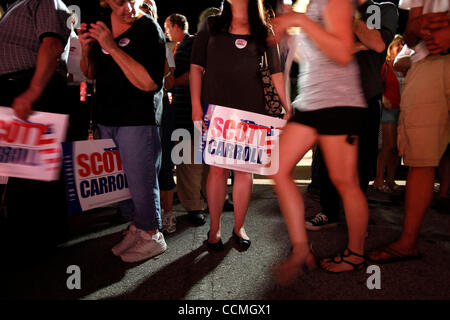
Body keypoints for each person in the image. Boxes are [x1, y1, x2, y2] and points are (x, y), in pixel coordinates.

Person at [270, 0, 368, 281]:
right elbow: (313, 55)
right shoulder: (310, 3)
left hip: (338, 101)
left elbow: (342, 52)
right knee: (277, 168)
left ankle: (356, 255)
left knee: (345, 183)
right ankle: (301, 248)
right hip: (311, 102)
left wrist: (299, 21)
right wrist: (289, 33)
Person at [190, 0, 290, 251]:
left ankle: (239, 226)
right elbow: (195, 67)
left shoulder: (263, 30)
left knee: (244, 171)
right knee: (217, 171)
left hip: (252, 111)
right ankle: (214, 229)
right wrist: (195, 106)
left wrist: (288, 106)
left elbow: (276, 73)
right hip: (216, 109)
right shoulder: (211, 24)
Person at [79, 0, 167, 263]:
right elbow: (91, 72)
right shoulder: (101, 24)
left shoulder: (148, 28)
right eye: (120, 1)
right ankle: (137, 228)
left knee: (141, 182)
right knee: (122, 184)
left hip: (136, 119)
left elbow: (150, 82)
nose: (129, 6)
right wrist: (86, 50)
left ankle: (152, 235)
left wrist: (111, 47)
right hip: (107, 117)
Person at [305, 0, 398, 230]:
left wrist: (353, 35)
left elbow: (377, 43)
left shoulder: (382, 8)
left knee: (362, 161)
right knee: (328, 160)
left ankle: (356, 216)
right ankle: (329, 212)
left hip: (366, 95)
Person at [368, 0, 449, 263]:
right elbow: (411, 29)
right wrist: (420, 28)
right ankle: (407, 241)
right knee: (419, 158)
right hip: (430, 61)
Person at [0, 0, 71, 256]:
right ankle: (32, 237)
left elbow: (51, 45)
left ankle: (32, 244)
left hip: (33, 87)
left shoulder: (43, 0)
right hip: (20, 88)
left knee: (30, 176)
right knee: (19, 172)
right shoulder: (17, 5)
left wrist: (33, 91)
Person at [165, 13, 207, 226]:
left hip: (186, 111)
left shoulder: (186, 45)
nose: (166, 32)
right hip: (201, 111)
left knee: (188, 163)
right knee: (200, 161)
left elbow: (178, 79)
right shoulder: (198, 43)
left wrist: (170, 77)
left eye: (167, 27)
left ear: (174, 26)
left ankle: (193, 206)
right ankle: (202, 202)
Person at [372, 35, 406, 193]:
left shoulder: (406, 66)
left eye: (402, 45)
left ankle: (391, 179)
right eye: (397, 45)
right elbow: (376, 85)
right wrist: (384, 98)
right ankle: (379, 179)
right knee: (388, 145)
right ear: (390, 48)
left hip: (404, 110)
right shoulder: (385, 65)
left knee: (397, 149)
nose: (400, 47)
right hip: (389, 109)